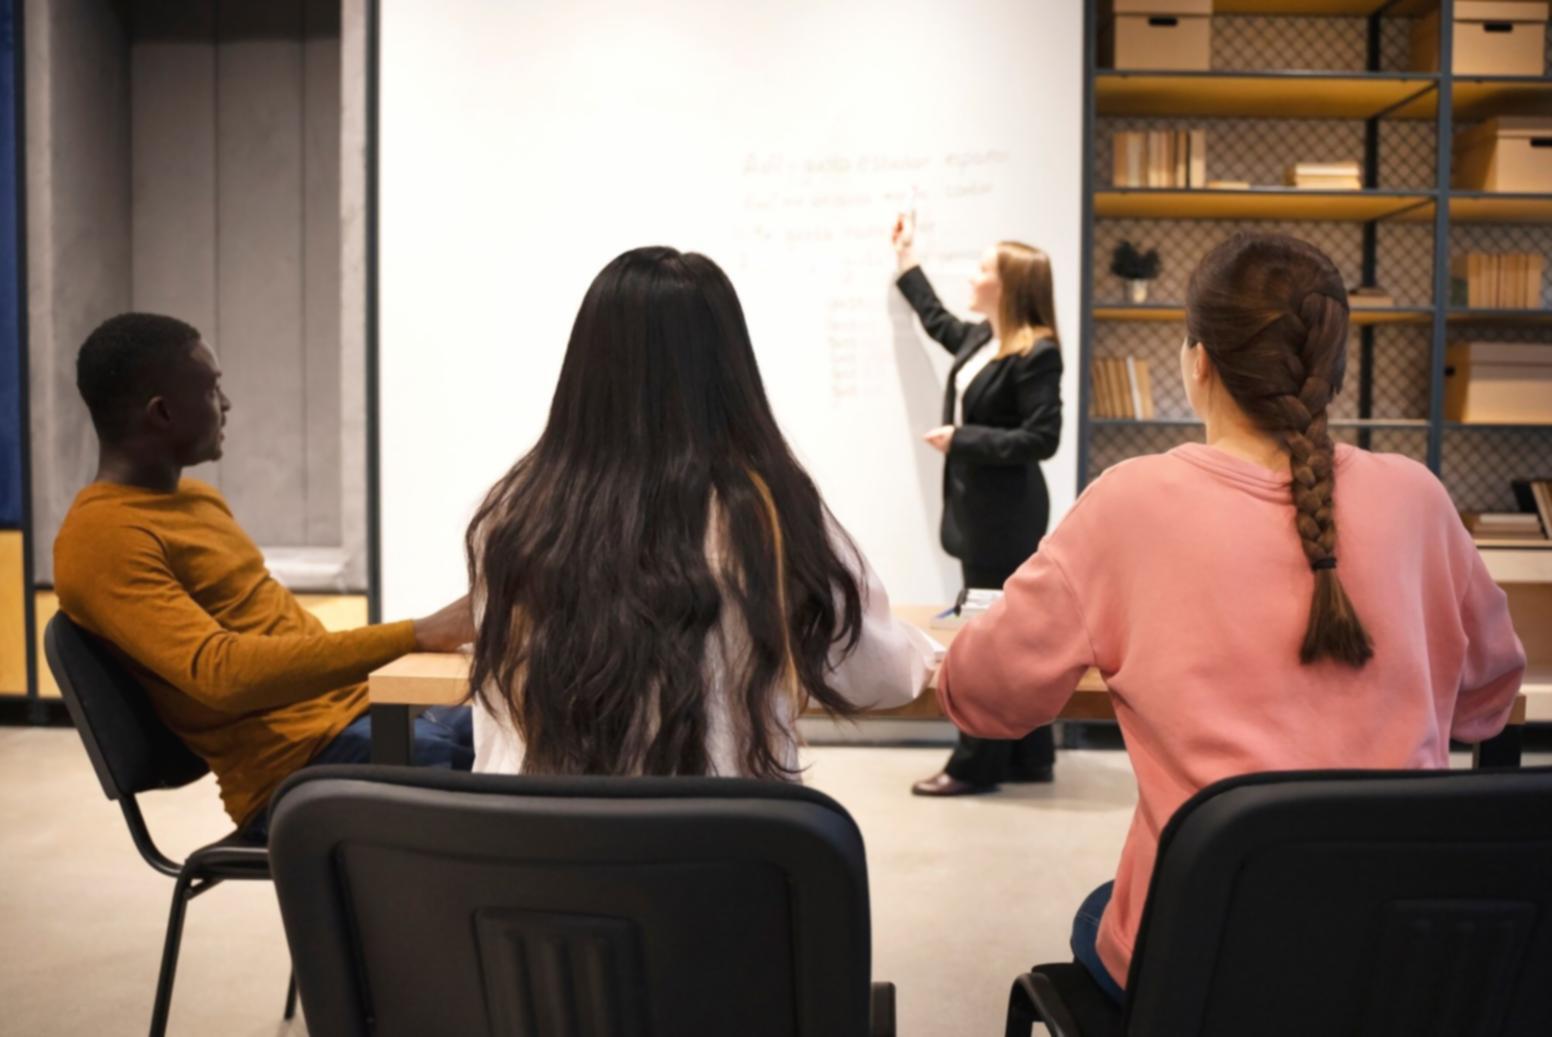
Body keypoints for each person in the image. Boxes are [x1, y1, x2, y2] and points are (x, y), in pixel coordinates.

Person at [936, 231, 1526, 1002]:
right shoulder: (1419, 497)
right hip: (1401, 959)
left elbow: (985, 698)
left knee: (1106, 914)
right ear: (1333, 367)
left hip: (1207, 961)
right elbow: (1487, 702)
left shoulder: (1129, 501)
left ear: (1198, 362)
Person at [467, 246, 937, 777]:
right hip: (718, 849)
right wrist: (925, 649)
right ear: (730, 372)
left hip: (533, 845)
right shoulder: (765, 511)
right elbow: (877, 673)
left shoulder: (514, 513)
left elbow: (494, 724)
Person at [53, 313, 476, 837]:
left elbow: (281, 638)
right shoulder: (102, 538)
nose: (226, 406)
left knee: (555, 738)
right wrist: (416, 634)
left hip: (362, 724)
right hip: (299, 775)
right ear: (162, 413)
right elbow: (222, 675)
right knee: (539, 799)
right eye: (211, 390)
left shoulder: (197, 501)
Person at [890, 213, 1064, 797]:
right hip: (977, 515)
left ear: (1009, 285)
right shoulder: (982, 340)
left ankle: (975, 764)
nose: (974, 274)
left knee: (988, 639)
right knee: (1010, 635)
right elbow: (937, 318)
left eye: (984, 268)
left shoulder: (1036, 353)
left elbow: (1044, 438)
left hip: (1007, 518)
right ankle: (1031, 755)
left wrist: (962, 439)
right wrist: (907, 260)